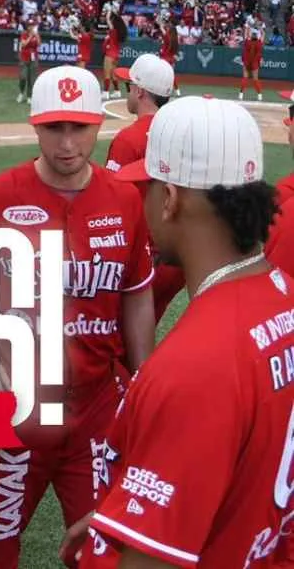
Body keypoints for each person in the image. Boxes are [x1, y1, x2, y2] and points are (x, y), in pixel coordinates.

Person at [60, 96, 293, 568]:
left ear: (169, 199)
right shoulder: (284, 294)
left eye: (146, 187)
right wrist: (121, 520)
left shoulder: (194, 366)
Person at [0, 65, 155, 569]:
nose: (67, 143)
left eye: (79, 127)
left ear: (98, 125)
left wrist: (143, 384)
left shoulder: (124, 199)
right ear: (35, 126)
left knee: (104, 545)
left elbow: (135, 294)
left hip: (96, 407)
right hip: (16, 411)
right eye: (54, 128)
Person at [107, 54, 183, 323]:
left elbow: (110, 203)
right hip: (177, 257)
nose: (127, 91)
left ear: (140, 92)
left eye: (129, 85)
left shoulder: (128, 140)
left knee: (121, 333)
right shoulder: (180, 134)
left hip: (143, 260)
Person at [102, 8, 127, 101]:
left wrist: (108, 14)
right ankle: (117, 91)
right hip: (116, 55)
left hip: (110, 54)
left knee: (107, 74)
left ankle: (105, 93)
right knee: (113, 74)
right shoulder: (118, 31)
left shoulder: (113, 31)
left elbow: (108, 21)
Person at [240, 14, 264, 101]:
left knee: (245, 77)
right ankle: (259, 95)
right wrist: (259, 26)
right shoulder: (259, 43)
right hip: (254, 62)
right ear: (256, 37)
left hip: (247, 61)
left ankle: (241, 94)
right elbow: (263, 34)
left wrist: (249, 24)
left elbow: (246, 32)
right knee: (255, 79)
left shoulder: (247, 42)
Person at [16, 18, 41, 104]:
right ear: (27, 27)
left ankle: (29, 96)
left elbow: (39, 44)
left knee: (32, 78)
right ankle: (21, 93)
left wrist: (36, 35)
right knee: (23, 76)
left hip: (34, 58)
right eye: (29, 25)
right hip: (24, 57)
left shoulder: (36, 34)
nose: (31, 27)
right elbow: (23, 44)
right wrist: (30, 36)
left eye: (32, 25)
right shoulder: (24, 34)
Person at [156, 13, 181, 97]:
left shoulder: (167, 36)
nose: (168, 28)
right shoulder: (175, 39)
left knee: (161, 75)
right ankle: (177, 90)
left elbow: (161, 28)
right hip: (170, 59)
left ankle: (162, 90)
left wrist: (160, 22)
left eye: (169, 28)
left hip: (165, 59)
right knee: (171, 75)